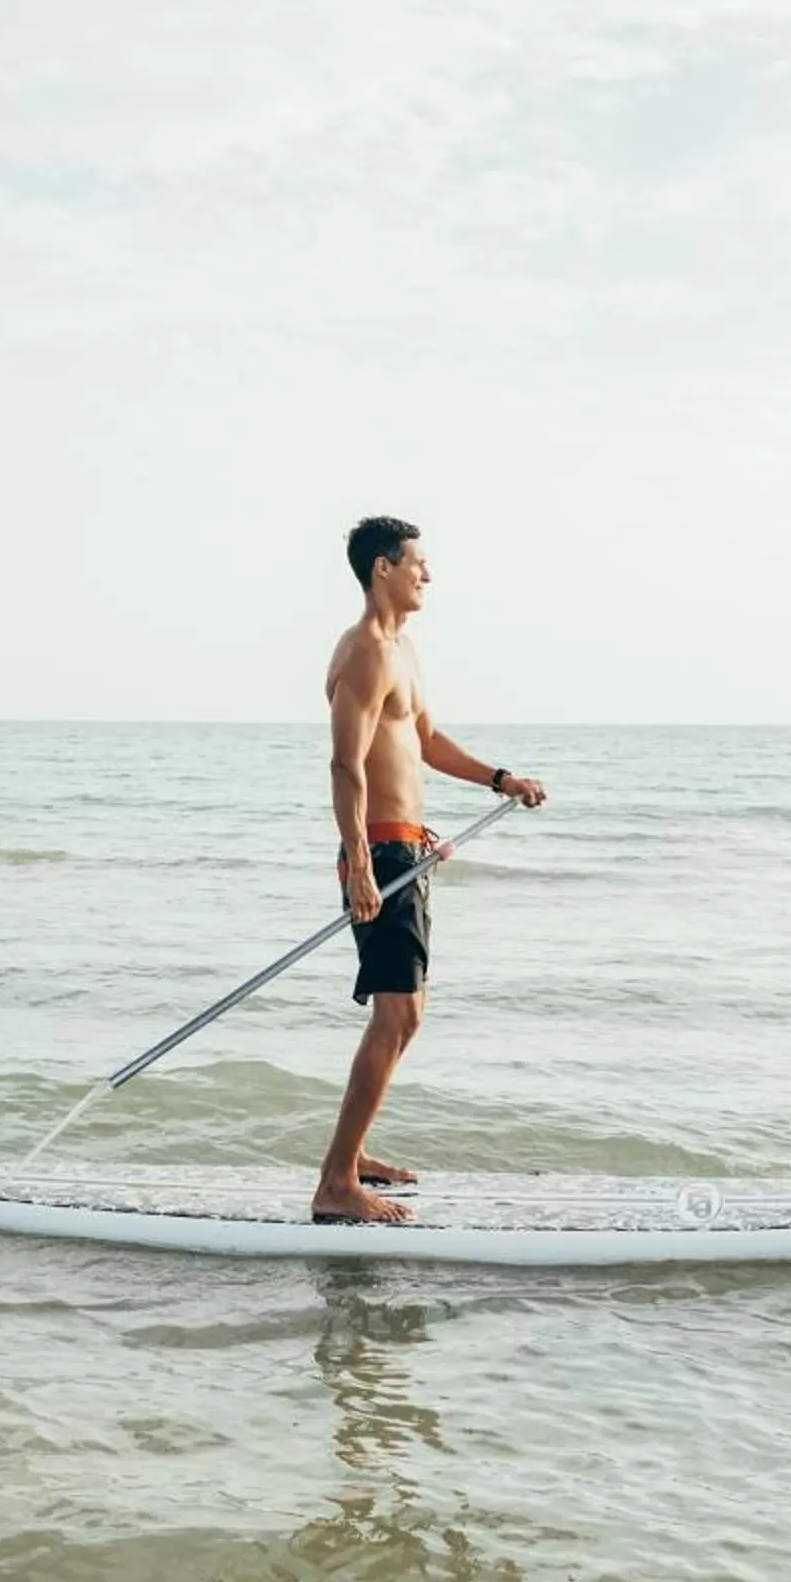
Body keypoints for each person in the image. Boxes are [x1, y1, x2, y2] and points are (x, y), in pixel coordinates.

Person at [315, 516, 546, 1224]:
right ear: (382, 567)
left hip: (407, 849)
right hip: (380, 851)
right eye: (417, 562)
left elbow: (427, 740)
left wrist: (498, 778)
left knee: (404, 1017)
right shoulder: (362, 653)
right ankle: (335, 1184)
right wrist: (358, 859)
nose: (428, 574)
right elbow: (346, 765)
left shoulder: (404, 652)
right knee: (396, 1017)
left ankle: (349, 1161)